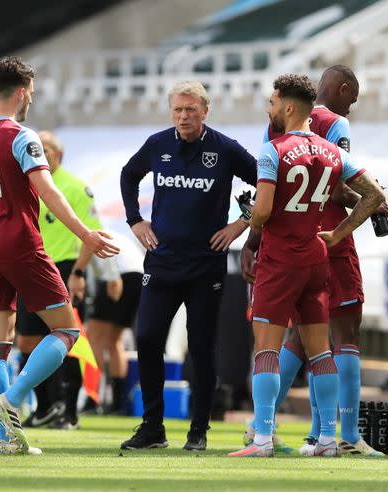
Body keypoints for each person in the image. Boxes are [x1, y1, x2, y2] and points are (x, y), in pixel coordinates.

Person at [0, 56, 117, 455]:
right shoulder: (22, 136)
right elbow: (47, 190)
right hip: (19, 242)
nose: (30, 99)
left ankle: (6, 439)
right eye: (30, 92)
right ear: (20, 92)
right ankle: (12, 399)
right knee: (66, 331)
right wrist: (87, 234)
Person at [228, 74, 385, 458]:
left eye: (272, 102)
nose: (269, 108)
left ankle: (262, 437)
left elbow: (262, 210)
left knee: (266, 349)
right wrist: (338, 232)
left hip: (281, 259)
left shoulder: (273, 151)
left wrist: (255, 224)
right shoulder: (332, 152)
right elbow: (374, 195)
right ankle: (328, 440)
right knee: (320, 352)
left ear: (288, 107)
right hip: (318, 255)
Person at [119, 79, 257, 451]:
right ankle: (153, 427)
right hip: (162, 263)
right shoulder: (158, 144)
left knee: (200, 346)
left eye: (190, 110)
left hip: (205, 266)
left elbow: (267, 181)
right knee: (147, 339)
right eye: (178, 110)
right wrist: (135, 219)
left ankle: (198, 430)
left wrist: (240, 224)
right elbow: (129, 175)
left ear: (205, 112)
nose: (183, 116)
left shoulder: (225, 149)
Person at [15, 129, 107, 430]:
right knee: (27, 340)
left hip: (65, 268)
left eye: (47, 147)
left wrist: (79, 273)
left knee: (68, 339)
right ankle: (44, 407)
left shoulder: (76, 188)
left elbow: (93, 233)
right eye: (37, 147)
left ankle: (70, 412)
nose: (41, 151)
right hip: (31, 269)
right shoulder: (27, 182)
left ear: (60, 154)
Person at [87, 230, 145, 414]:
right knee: (114, 341)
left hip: (117, 276)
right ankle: (117, 404)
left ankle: (92, 398)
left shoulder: (84, 230)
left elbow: (90, 257)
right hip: (138, 275)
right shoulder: (112, 232)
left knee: (94, 338)